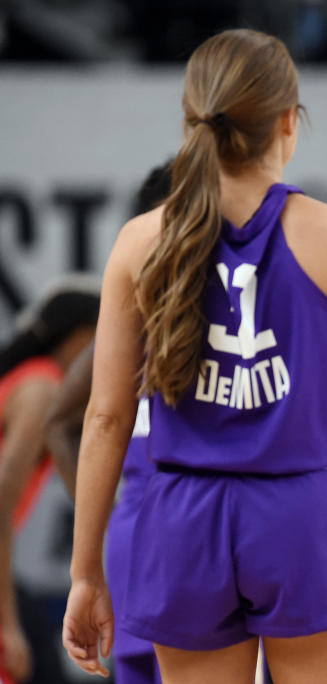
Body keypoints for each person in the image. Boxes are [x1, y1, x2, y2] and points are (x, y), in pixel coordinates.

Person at [61, 28, 327, 682]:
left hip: (183, 521)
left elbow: (105, 421)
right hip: (304, 516)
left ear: (192, 121)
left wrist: (86, 574)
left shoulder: (140, 243)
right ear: (287, 121)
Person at [44, 161, 172, 684]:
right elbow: (62, 421)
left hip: (137, 536)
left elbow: (61, 422)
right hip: (182, 538)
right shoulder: (155, 316)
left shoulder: (139, 317)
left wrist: (102, 521)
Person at [0, 278, 100, 683]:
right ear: (79, 336)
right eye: (102, 338)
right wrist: (6, 624)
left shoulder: (37, 385)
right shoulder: (42, 387)